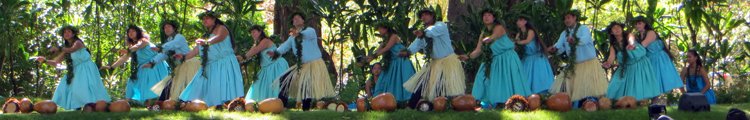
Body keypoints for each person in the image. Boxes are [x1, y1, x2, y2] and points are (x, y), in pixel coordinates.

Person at [461, 9, 531, 108]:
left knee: (506, 80)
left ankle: (513, 102)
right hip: (493, 59)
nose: (486, 17)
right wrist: (467, 57)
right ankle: (481, 100)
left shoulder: (499, 27)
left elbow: (493, 37)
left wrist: (488, 38)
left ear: (494, 18)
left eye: (489, 15)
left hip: (507, 58)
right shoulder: (483, 33)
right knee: (482, 76)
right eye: (484, 15)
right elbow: (478, 50)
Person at [268, 12, 336, 111]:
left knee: (306, 85)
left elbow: (306, 35)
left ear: (303, 21)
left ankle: (306, 109)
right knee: (285, 79)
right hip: (302, 65)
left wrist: (298, 33)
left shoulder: (310, 31)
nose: (296, 19)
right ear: (293, 23)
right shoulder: (292, 38)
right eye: (294, 19)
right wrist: (275, 52)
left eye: (299, 18)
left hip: (314, 63)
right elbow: (285, 47)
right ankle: (282, 105)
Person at [401, 9, 466, 108]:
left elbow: (432, 31)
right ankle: (410, 106)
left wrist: (423, 33)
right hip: (435, 63)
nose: (424, 17)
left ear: (432, 16)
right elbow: (417, 44)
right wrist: (408, 52)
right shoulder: (422, 33)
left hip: (448, 61)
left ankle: (456, 106)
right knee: (422, 83)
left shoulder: (440, 26)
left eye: (427, 14)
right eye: (422, 15)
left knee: (447, 87)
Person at [36, 25, 111, 110]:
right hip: (76, 69)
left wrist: (58, 48)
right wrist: (45, 61)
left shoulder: (78, 43)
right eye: (64, 32)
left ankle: (96, 105)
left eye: (69, 31)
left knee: (87, 88)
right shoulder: (66, 49)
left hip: (87, 67)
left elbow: (72, 49)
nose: (66, 33)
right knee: (65, 85)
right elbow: (56, 62)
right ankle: (78, 106)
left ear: (73, 33)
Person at [179, 11, 244, 108]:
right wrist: (182, 57)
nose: (204, 21)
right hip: (211, 64)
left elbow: (219, 38)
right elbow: (195, 51)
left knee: (223, 85)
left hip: (224, 62)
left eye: (207, 18)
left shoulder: (222, 28)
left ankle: (231, 105)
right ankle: (189, 103)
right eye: (203, 19)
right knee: (201, 83)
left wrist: (206, 42)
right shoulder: (206, 36)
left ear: (214, 19)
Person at [547, 10, 608, 106]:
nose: (566, 20)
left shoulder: (583, 29)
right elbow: (560, 46)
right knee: (571, 85)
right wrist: (553, 49)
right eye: (565, 19)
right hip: (574, 64)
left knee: (589, 87)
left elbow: (585, 40)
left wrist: (574, 40)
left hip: (589, 63)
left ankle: (592, 104)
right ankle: (574, 105)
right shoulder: (564, 33)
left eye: (568, 18)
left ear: (574, 18)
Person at [100, 25, 169, 105]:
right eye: (129, 32)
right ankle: (125, 103)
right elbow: (124, 58)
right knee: (132, 83)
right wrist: (111, 67)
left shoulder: (143, 40)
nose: (130, 33)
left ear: (138, 32)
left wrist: (129, 50)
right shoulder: (131, 47)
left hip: (154, 64)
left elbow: (138, 46)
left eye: (133, 31)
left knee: (149, 87)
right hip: (143, 67)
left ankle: (152, 104)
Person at [602, 22, 661, 101]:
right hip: (625, 67)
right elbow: (611, 57)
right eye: (614, 28)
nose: (617, 29)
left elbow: (631, 39)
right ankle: (613, 101)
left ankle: (642, 102)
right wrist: (608, 63)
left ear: (622, 29)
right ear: (611, 32)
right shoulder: (614, 46)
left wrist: (631, 44)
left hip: (639, 63)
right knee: (615, 83)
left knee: (637, 86)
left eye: (618, 27)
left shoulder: (628, 36)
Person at [149, 20, 202, 101]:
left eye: (169, 27)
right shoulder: (168, 40)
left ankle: (190, 102)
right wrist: (152, 62)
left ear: (174, 28)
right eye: (165, 28)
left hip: (189, 63)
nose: (167, 29)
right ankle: (162, 102)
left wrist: (160, 47)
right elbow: (165, 54)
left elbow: (173, 44)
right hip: (181, 65)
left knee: (188, 83)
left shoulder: (179, 37)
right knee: (173, 83)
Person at [363, 22, 416, 101]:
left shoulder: (394, 36)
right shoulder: (385, 40)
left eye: (380, 28)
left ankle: (408, 101)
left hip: (401, 62)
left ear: (386, 28)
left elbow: (387, 48)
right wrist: (369, 58)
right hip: (393, 62)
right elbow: (378, 50)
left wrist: (374, 56)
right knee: (386, 80)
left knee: (403, 80)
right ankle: (383, 100)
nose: (379, 30)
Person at [236, 25, 290, 102]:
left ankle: (278, 103)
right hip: (266, 68)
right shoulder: (256, 44)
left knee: (276, 87)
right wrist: (241, 59)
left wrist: (243, 57)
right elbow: (251, 52)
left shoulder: (265, 41)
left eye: (254, 32)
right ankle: (260, 103)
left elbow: (255, 50)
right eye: (251, 33)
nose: (252, 34)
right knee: (257, 85)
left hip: (276, 66)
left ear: (260, 32)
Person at [633, 16, 683, 94]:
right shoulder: (638, 36)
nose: (637, 26)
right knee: (653, 82)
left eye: (639, 23)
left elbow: (643, 45)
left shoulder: (651, 32)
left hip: (660, 59)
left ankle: (685, 95)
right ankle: (653, 102)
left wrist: (632, 47)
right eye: (636, 24)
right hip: (650, 60)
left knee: (662, 80)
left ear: (645, 24)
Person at [514, 15, 554, 94]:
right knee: (525, 79)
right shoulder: (519, 34)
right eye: (517, 20)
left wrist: (517, 42)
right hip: (526, 59)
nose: (518, 22)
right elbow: (516, 44)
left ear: (525, 22)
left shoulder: (530, 31)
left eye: (520, 20)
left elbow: (527, 41)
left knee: (538, 79)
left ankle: (541, 96)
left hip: (537, 58)